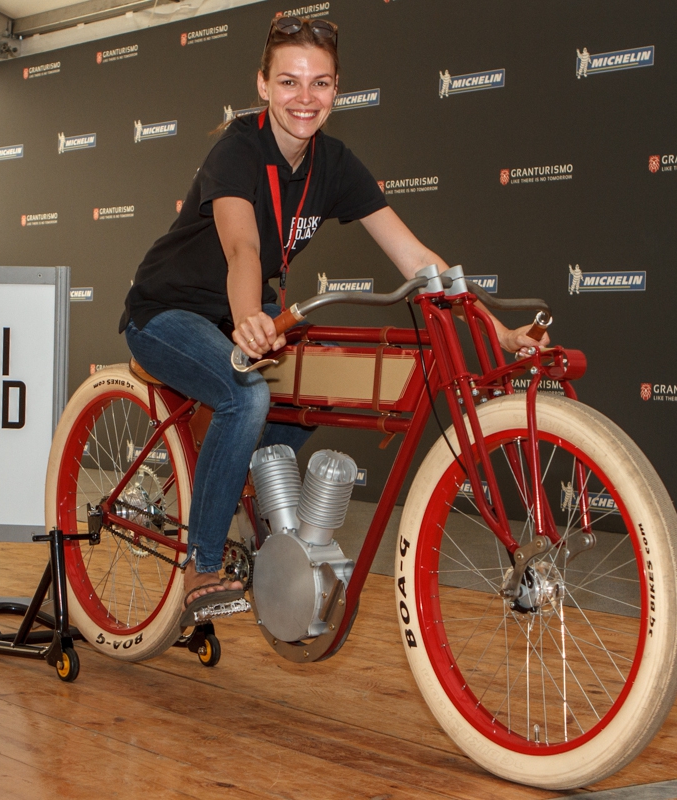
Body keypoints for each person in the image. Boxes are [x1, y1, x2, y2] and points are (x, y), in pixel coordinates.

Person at [120, 15, 549, 622]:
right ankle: (204, 564)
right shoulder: (238, 150)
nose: (305, 98)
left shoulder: (335, 164)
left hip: (238, 313)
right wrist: (248, 317)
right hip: (168, 310)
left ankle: (244, 483)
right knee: (246, 395)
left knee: (323, 380)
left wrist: (497, 331)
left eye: (319, 83)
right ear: (263, 85)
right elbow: (242, 248)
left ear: (336, 90)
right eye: (289, 82)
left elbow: (417, 259)